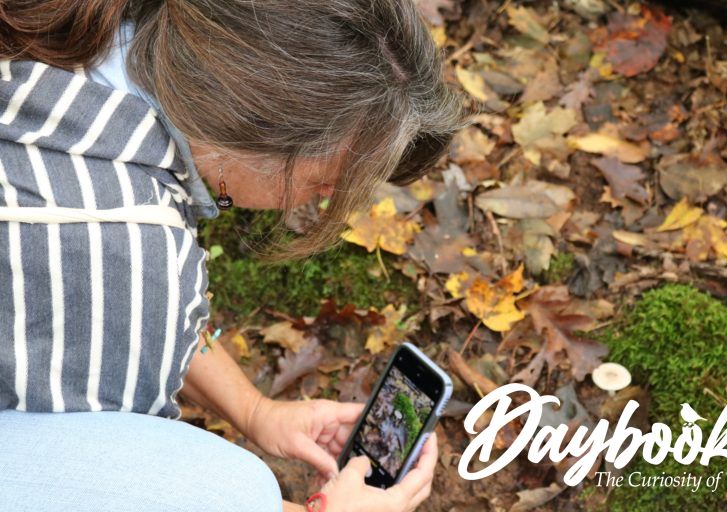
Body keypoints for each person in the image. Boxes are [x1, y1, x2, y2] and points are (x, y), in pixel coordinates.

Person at [0, 1, 465, 511]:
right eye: (325, 181)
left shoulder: (84, 32)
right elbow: (88, 482)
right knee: (240, 487)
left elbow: (135, 318)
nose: (327, 198)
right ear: (255, 125)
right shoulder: (124, 257)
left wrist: (255, 411)